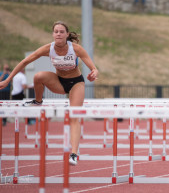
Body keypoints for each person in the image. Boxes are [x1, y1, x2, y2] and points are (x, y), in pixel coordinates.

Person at [0, 21, 99, 166]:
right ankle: (38, 101)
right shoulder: (48, 49)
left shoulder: (76, 49)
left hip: (76, 83)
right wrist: (7, 80)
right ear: (53, 34)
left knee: (74, 117)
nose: (58, 34)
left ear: (66, 34)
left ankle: (74, 153)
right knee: (38, 76)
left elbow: (94, 68)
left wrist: (94, 73)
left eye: (61, 31)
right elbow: (24, 62)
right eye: (56, 31)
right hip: (59, 82)